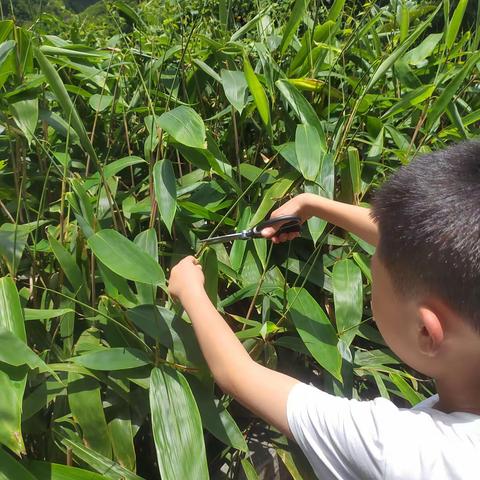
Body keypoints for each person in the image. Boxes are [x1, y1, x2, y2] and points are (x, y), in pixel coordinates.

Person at [168, 141, 480, 479]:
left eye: (374, 282)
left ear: (425, 332)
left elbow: (238, 374)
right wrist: (313, 204)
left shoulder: (397, 449)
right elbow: (430, 253)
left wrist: (190, 291)